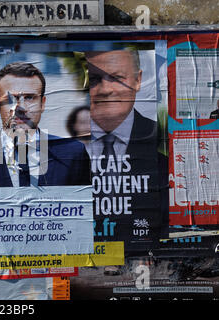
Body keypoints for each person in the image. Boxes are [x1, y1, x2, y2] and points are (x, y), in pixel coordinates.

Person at [85, 50, 168, 273]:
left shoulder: (161, 141)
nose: (105, 89)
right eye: (94, 79)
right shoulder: (62, 148)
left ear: (138, 80)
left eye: (117, 77)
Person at [0, 61, 91, 188]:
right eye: (11, 99)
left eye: (29, 98)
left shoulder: (73, 154)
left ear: (42, 104)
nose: (20, 107)